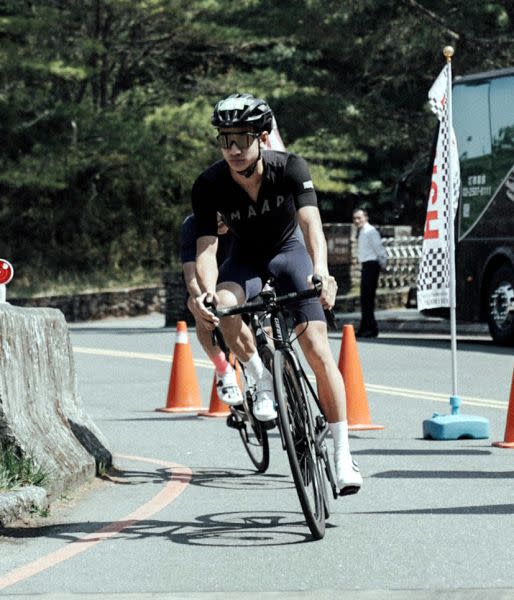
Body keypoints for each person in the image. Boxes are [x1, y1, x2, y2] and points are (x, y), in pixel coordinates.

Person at [190, 92, 362, 495]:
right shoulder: (209, 184)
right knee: (227, 305)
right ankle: (258, 377)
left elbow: (311, 226)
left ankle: (342, 455)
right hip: (245, 260)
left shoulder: (290, 168)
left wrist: (320, 270)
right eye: (224, 139)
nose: (232, 149)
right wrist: (206, 292)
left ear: (263, 138)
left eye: (242, 139)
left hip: (290, 255)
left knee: (317, 350)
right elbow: (207, 247)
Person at [180, 212, 243, 405]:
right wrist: (202, 298)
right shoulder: (192, 225)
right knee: (198, 307)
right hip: (207, 283)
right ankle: (223, 369)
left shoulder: (242, 217)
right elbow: (190, 274)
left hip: (240, 280)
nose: (220, 224)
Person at [352, 208, 387, 338]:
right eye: (355, 218)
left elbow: (379, 249)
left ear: (366, 217)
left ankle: (370, 328)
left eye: (359, 218)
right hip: (366, 265)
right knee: (365, 299)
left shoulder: (370, 231)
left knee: (367, 298)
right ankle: (366, 327)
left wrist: (383, 264)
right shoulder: (362, 232)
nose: (357, 221)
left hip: (372, 264)